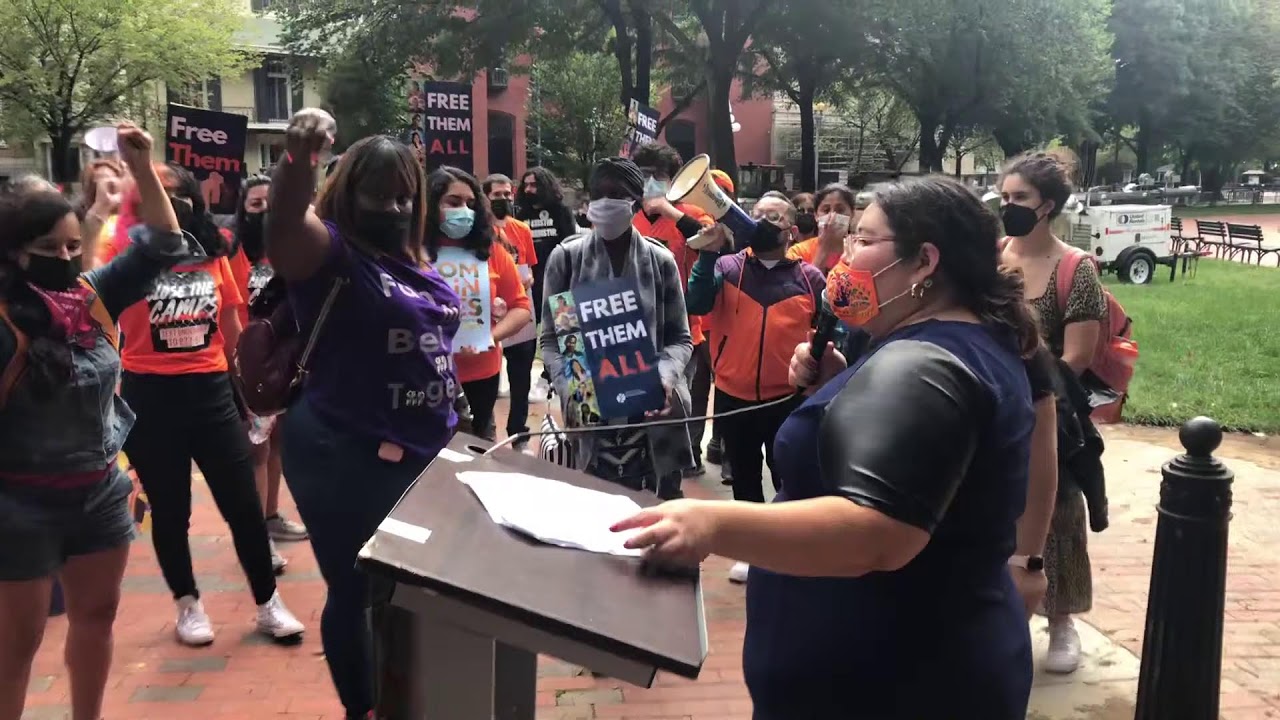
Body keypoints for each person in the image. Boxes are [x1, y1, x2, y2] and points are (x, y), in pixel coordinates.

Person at [614, 175, 1040, 719]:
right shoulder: (958, 339)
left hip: (894, 681)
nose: (847, 254)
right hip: (913, 660)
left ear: (925, 261)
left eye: (865, 239)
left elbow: (879, 533)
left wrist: (715, 525)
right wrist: (842, 389)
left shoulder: (923, 363)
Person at [268, 109, 461, 720]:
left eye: (405, 196)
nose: (395, 207)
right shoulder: (330, 252)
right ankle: (364, 707)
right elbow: (283, 225)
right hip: (343, 449)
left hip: (421, 450)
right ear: (350, 194)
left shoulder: (412, 259)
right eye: (379, 195)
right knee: (356, 588)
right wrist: (298, 161)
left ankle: (403, 694)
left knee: (406, 589)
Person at [0, 124, 189, 720]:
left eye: (70, 247)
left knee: (96, 618)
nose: (64, 259)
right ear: (12, 253)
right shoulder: (6, 323)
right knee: (17, 644)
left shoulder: (92, 297)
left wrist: (142, 163)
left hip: (100, 492)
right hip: (17, 505)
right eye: (48, 249)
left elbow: (163, 242)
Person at [102, 161, 305, 648]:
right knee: (171, 511)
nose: (167, 202)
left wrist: (252, 391)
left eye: (176, 192)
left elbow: (233, 326)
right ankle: (187, 603)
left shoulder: (214, 249)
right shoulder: (122, 250)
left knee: (242, 503)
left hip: (211, 392)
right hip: (150, 396)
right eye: (155, 193)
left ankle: (267, 602)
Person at [998, 151, 1106, 674]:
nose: (1009, 206)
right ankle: (1003, 609)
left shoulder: (1075, 268)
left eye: (1020, 198)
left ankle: (1062, 620)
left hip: (1050, 410)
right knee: (999, 508)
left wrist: (1030, 392)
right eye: (1005, 197)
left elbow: (1079, 356)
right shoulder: (993, 257)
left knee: (1058, 511)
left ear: (1048, 205)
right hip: (993, 407)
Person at [686, 192, 824, 584]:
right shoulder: (728, 267)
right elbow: (697, 303)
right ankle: (752, 551)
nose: (763, 221)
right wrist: (708, 254)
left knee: (787, 472)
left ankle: (788, 545)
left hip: (788, 397)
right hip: (734, 393)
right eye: (758, 214)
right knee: (744, 475)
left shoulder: (809, 277)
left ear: (791, 230)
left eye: (774, 216)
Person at [539, 157, 693, 499]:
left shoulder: (660, 261)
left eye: (617, 194)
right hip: (590, 413)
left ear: (635, 201)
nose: (606, 201)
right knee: (590, 513)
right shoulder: (566, 259)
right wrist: (573, 386)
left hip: (651, 416)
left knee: (653, 515)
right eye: (599, 193)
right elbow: (553, 339)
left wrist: (664, 378)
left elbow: (680, 339)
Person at [230, 175, 308, 567]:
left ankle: (272, 516)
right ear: (243, 208)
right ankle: (256, 536)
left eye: (269, 204)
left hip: (282, 361)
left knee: (277, 443)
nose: (263, 211)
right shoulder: (231, 252)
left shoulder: (288, 250)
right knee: (255, 451)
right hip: (247, 364)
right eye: (255, 204)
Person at [630, 144, 713, 483]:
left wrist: (669, 210)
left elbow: (711, 241)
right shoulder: (627, 215)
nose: (650, 182)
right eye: (645, 174)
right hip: (632, 331)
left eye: (658, 176)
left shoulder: (691, 213)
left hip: (679, 334)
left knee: (671, 409)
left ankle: (670, 486)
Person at [431, 167, 531, 441]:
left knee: (478, 444)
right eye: (453, 202)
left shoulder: (492, 252)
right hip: (429, 372)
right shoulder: (413, 252)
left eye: (470, 204)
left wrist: (491, 336)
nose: (463, 210)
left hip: (482, 372)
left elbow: (521, 307)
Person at [483, 173, 539, 445]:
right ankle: (486, 428)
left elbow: (530, 268)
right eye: (497, 195)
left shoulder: (522, 230)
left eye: (507, 194)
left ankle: (518, 429)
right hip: (489, 314)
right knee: (488, 378)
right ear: (486, 197)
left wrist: (525, 281)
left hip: (519, 310)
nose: (504, 199)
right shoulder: (479, 231)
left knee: (521, 377)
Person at [515, 167, 578, 401]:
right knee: (530, 334)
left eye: (534, 185)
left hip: (560, 281)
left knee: (565, 330)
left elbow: (571, 243)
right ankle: (530, 379)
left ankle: (558, 377)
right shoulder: (520, 214)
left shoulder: (561, 211)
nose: (530, 190)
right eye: (526, 185)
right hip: (530, 281)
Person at [786, 183, 856, 275]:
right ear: (816, 215)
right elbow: (804, 287)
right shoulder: (798, 252)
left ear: (852, 214)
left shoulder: (860, 250)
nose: (832, 216)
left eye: (840, 210)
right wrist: (823, 248)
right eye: (826, 210)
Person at [76, 158, 128, 268]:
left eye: (112, 179)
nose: (105, 186)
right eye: (98, 182)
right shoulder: (79, 221)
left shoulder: (133, 217)